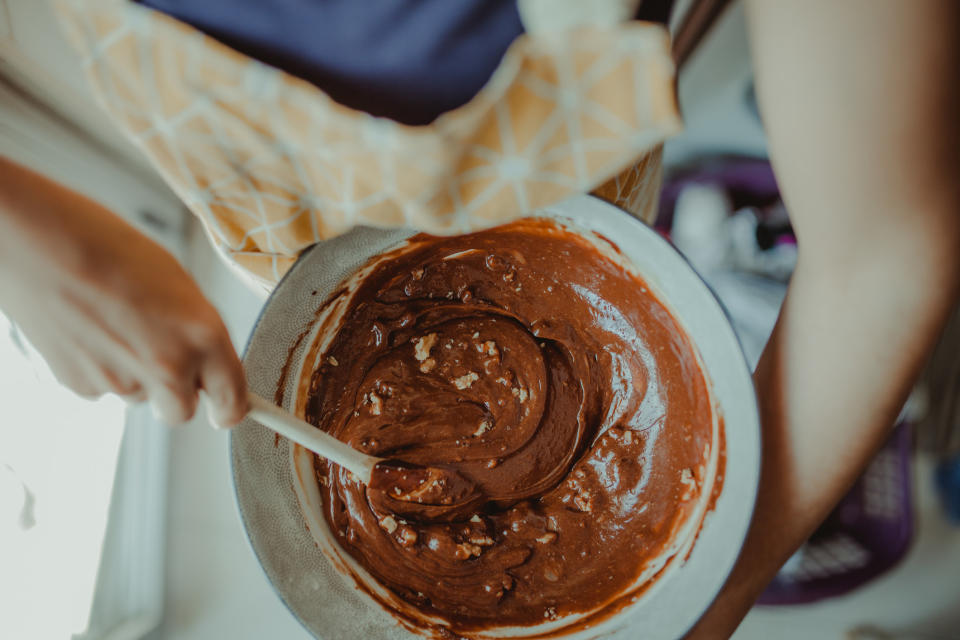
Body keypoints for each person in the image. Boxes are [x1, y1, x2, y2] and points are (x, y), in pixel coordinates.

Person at [0, 1, 956, 637]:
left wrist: (712, 592)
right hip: (255, 199)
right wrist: (19, 233)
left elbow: (881, 250)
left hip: (574, 196)